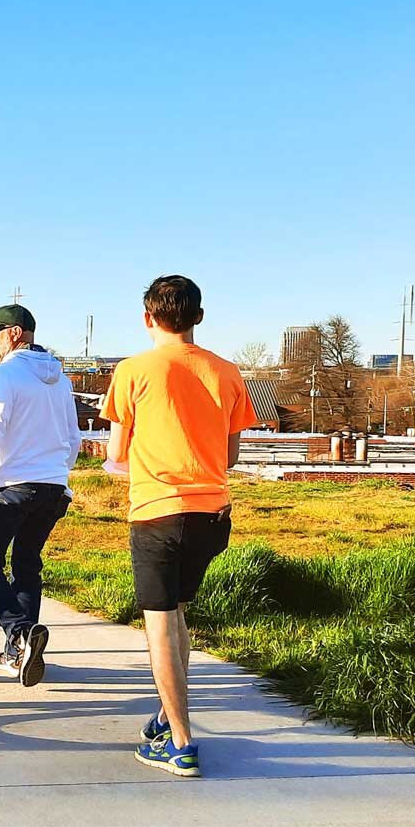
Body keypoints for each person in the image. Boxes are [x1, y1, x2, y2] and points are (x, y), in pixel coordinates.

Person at [101, 275, 256, 778]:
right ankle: (168, 713)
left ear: (148, 317)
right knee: (179, 612)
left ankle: (182, 743)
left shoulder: (133, 371)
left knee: (160, 623)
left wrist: (137, 464)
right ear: (199, 317)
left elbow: (117, 454)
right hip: (212, 515)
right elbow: (230, 454)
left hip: (157, 512)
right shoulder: (228, 372)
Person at [0, 304, 82, 686]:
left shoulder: (3, 376)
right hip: (53, 486)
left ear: (13, 332)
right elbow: (73, 437)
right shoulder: (60, 378)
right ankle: (18, 651)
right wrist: (60, 474)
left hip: (10, 487)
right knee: (27, 561)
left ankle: (20, 633)